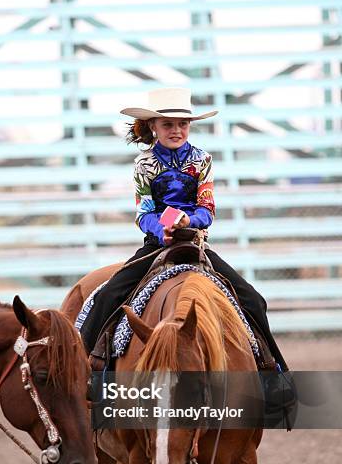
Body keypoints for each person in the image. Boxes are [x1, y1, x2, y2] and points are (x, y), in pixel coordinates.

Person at [80, 87, 288, 374]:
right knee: (108, 295)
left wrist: (187, 223)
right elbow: (144, 212)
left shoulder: (203, 160)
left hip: (196, 243)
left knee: (253, 298)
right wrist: (164, 229)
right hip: (157, 244)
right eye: (168, 124)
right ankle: (86, 369)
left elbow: (207, 209)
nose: (176, 130)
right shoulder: (144, 164)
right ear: (153, 126)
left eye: (183, 124)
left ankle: (274, 369)